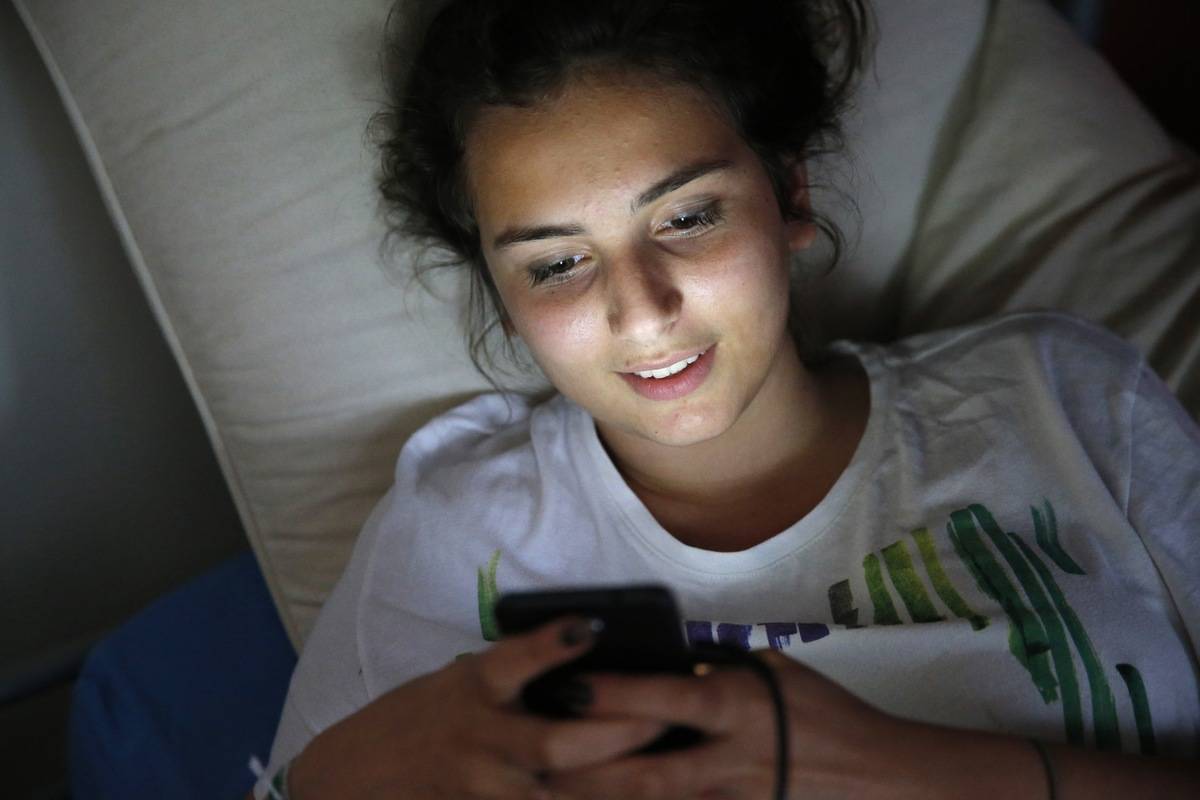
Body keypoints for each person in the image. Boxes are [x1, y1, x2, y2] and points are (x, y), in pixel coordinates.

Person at [253, 0, 1200, 797]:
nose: (643, 310)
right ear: (505, 304)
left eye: (688, 217)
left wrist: (901, 766)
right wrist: (359, 765)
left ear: (789, 196)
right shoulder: (456, 526)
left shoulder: (1060, 398)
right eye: (556, 264)